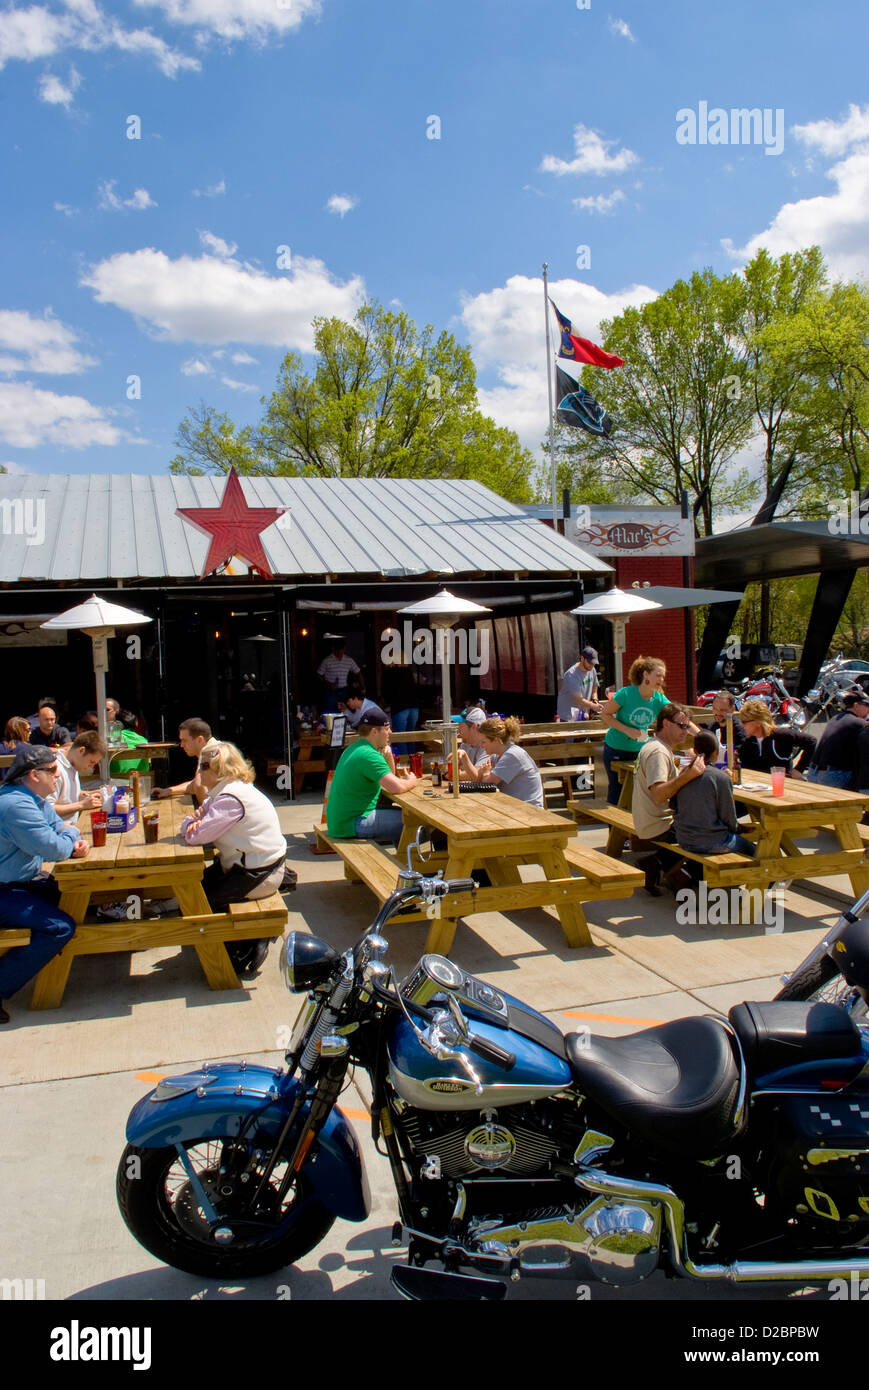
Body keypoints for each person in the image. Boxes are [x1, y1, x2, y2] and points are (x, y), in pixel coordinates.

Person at [180, 741, 290, 976]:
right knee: (196, 886)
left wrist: (188, 823)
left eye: (202, 767)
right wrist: (198, 818)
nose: (198, 773)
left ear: (216, 770)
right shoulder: (232, 790)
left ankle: (244, 946)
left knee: (198, 899)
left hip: (258, 875)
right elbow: (204, 811)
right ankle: (246, 939)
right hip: (257, 867)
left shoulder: (231, 798)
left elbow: (195, 835)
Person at [0, 745, 88, 1024]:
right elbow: (54, 848)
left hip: (21, 881)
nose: (57, 775)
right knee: (60, 928)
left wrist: (70, 836)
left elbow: (60, 828)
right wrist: (71, 840)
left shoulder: (32, 799)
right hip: (6, 889)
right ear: (32, 774)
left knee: (80, 896)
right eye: (52, 770)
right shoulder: (15, 805)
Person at [631, 703, 706, 895]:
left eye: (687, 727)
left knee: (701, 821)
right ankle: (683, 875)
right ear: (665, 723)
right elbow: (658, 794)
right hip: (659, 824)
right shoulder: (658, 752)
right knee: (711, 831)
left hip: (648, 820)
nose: (686, 732)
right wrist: (686, 777)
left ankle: (655, 864)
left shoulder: (655, 746)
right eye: (682, 726)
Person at [601, 657, 695, 806]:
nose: (661, 679)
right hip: (616, 749)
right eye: (658, 675)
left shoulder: (658, 699)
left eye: (663, 676)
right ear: (646, 675)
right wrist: (627, 730)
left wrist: (700, 735)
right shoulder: (626, 693)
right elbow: (605, 714)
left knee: (640, 791)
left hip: (640, 751)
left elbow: (680, 717)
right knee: (617, 791)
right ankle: (614, 827)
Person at [326, 711, 418, 842]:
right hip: (353, 823)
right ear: (374, 732)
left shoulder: (354, 748)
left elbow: (390, 779)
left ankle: (404, 860)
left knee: (407, 817)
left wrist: (388, 756)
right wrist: (412, 781)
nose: (390, 732)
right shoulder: (369, 755)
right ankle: (411, 861)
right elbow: (396, 787)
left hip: (340, 822)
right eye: (387, 729)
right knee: (416, 823)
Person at [673, 730, 756, 859]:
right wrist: (738, 829)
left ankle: (701, 879)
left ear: (694, 750)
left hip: (684, 838)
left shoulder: (684, 774)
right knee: (755, 850)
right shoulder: (720, 778)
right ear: (716, 752)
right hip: (713, 841)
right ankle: (768, 878)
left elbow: (674, 804)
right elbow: (728, 817)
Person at [805, 688, 869, 789]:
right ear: (856, 705)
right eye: (867, 705)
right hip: (834, 775)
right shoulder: (858, 723)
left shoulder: (835, 718)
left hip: (814, 772)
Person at [474, 716, 545, 807]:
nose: (481, 746)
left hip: (529, 810)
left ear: (496, 740)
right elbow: (478, 777)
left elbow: (487, 785)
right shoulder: (497, 755)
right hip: (516, 807)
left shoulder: (512, 755)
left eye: (483, 742)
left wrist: (486, 773)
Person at [737, 699, 816, 777]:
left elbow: (811, 741)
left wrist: (799, 769)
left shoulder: (780, 735)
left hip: (781, 785)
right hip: (753, 785)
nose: (741, 726)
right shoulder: (746, 740)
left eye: (744, 722)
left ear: (758, 722)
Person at [151, 718, 219, 804]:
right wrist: (169, 791)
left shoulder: (212, 754)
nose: (181, 745)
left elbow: (198, 785)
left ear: (200, 740)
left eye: (185, 740)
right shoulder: (213, 748)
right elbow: (194, 784)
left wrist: (205, 816)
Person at [47, 731, 106, 823]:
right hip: (59, 831)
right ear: (81, 750)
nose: (91, 766)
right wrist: (81, 805)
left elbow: (65, 796)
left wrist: (89, 794)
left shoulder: (73, 765)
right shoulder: (56, 769)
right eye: (91, 762)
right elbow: (47, 808)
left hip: (71, 828)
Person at [556, 647, 602, 722]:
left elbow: (594, 688)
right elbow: (579, 699)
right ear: (582, 658)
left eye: (594, 663)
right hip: (568, 717)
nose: (592, 665)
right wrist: (593, 706)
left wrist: (594, 699)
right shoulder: (571, 675)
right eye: (590, 662)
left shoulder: (592, 669)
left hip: (581, 715)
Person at [317, 639, 361, 712]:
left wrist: (362, 687)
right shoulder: (327, 660)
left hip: (344, 691)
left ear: (344, 649)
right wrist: (328, 683)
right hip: (330, 692)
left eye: (341, 649)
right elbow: (319, 675)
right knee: (330, 712)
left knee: (344, 712)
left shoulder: (349, 660)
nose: (339, 652)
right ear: (333, 648)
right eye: (337, 650)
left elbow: (358, 672)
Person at [703, 691, 746, 758]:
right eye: (715, 708)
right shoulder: (712, 727)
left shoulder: (739, 731)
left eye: (722, 710)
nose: (718, 712)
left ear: (732, 709)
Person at [456, 706, 493, 781]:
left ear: (474, 727)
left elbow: (477, 775)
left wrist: (456, 773)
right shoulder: (465, 744)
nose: (458, 731)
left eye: (461, 726)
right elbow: (448, 767)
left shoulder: (487, 746)